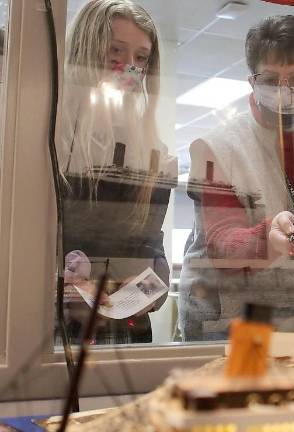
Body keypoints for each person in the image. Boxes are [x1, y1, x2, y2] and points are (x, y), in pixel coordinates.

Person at [178, 15, 294, 340]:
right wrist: (266, 239)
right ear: (252, 82)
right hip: (230, 327)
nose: (283, 91)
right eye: (271, 80)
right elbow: (220, 241)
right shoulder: (217, 147)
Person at [58, 0, 177, 344]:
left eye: (141, 58)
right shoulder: (53, 137)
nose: (129, 67)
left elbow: (154, 253)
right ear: (87, 48)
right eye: (115, 51)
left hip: (124, 333)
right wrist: (70, 289)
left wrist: (147, 291)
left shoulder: (150, 148)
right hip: (52, 334)